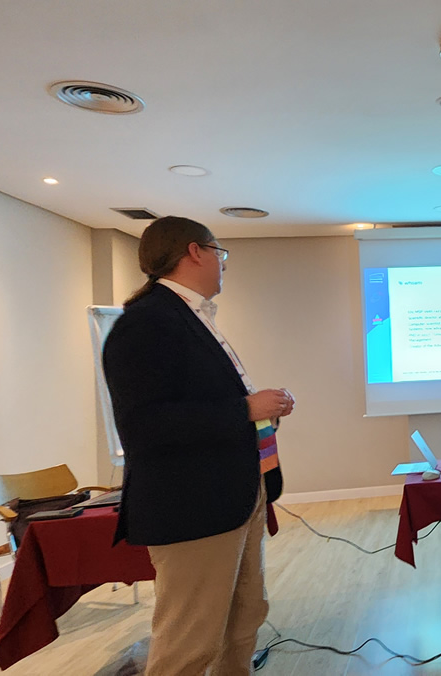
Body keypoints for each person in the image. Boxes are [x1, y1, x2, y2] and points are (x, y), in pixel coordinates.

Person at [103, 216, 294, 675]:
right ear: (194, 252)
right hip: (193, 507)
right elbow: (144, 426)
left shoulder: (190, 317)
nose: (223, 264)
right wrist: (244, 409)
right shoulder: (147, 323)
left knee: (245, 616)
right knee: (190, 642)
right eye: (219, 253)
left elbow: (201, 403)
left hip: (235, 496)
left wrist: (257, 411)